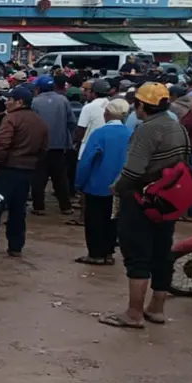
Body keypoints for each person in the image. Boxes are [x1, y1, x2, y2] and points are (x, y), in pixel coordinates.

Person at [100, 83, 190, 330]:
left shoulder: (146, 130)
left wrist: (116, 187)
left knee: (137, 256)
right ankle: (157, 309)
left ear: (141, 105)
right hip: (169, 200)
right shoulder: (177, 127)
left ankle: (133, 313)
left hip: (141, 200)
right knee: (162, 253)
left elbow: (133, 171)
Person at [0, 86, 48, 258]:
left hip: (7, 169)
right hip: (26, 171)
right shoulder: (39, 121)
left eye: (10, 99)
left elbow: (2, 143)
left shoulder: (11, 119)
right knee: (19, 210)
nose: (7, 103)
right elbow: (43, 148)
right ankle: (16, 246)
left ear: (19, 101)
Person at [74, 99, 130, 266]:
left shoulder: (99, 134)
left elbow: (86, 161)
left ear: (106, 114)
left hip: (97, 185)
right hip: (122, 186)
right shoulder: (131, 133)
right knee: (113, 220)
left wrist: (79, 183)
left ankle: (95, 253)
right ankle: (108, 253)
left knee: (94, 220)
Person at [30, 75, 75, 216]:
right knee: (60, 178)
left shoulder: (35, 102)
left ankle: (38, 206)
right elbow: (71, 121)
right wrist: (68, 139)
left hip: (40, 146)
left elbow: (32, 124)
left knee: (38, 178)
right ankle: (66, 206)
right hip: (59, 145)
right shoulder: (63, 100)